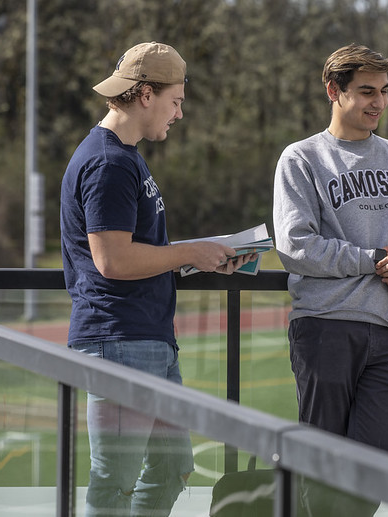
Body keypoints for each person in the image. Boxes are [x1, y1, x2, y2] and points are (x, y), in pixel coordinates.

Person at [60, 41, 253, 517]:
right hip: (119, 340)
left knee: (172, 469)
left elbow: (133, 252)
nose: (179, 114)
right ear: (145, 94)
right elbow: (113, 261)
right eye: (176, 101)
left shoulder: (126, 156)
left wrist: (198, 258)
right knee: (115, 481)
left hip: (145, 339)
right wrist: (189, 251)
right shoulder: (110, 162)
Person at [273, 43, 388, 513]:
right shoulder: (302, 158)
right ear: (334, 91)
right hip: (324, 329)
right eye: (366, 91)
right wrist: (376, 260)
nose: (378, 102)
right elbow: (295, 246)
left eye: (385, 92)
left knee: (370, 480)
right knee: (322, 477)